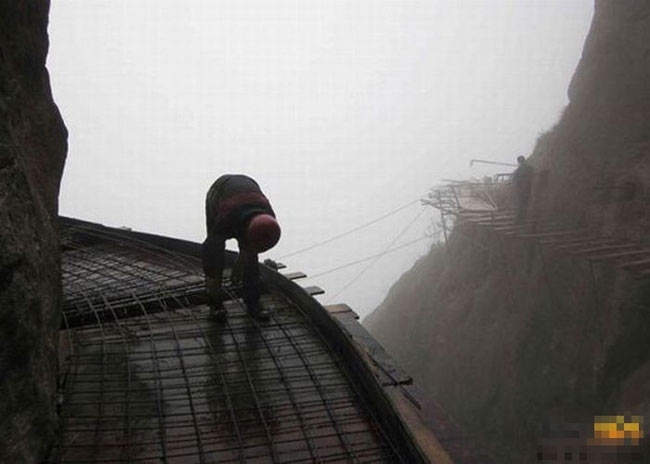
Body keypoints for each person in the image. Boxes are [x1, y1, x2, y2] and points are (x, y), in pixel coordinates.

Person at [202, 174, 281, 322]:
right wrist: (212, 276)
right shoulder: (226, 219)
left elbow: (252, 248)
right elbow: (210, 248)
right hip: (219, 191)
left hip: (247, 192)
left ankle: (253, 303)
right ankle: (215, 304)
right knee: (215, 257)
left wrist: (240, 264)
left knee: (251, 261)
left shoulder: (268, 218)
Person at [512, 155, 534, 222]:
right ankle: (522, 218)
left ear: (519, 162)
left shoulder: (518, 171)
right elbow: (533, 173)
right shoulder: (530, 168)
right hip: (527, 189)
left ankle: (519, 219)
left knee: (521, 204)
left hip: (521, 190)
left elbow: (514, 180)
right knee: (525, 204)